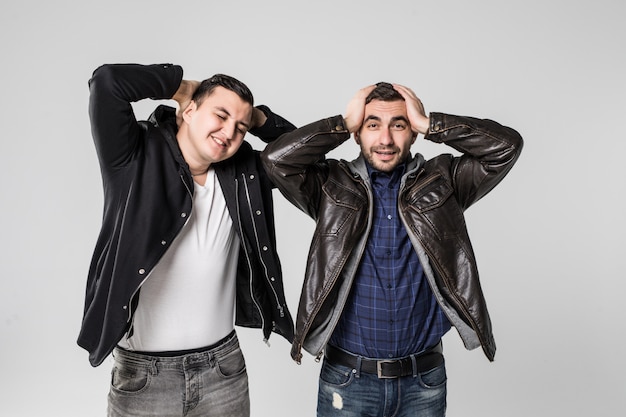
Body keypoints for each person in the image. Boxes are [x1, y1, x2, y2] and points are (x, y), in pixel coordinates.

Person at [261, 82, 523, 416]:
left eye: (398, 125)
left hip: (423, 382)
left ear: (413, 132)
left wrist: (431, 123)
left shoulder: (444, 181)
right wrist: (341, 122)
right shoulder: (331, 185)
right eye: (372, 125)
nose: (385, 139)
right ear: (358, 132)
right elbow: (276, 161)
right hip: (347, 380)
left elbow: (506, 147)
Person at [78, 63, 296, 417]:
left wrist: (257, 119)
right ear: (189, 110)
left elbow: (304, 157)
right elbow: (108, 82)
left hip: (223, 372)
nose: (228, 132)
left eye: (240, 128)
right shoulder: (133, 156)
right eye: (220, 115)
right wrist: (182, 86)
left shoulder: (244, 174)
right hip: (144, 377)